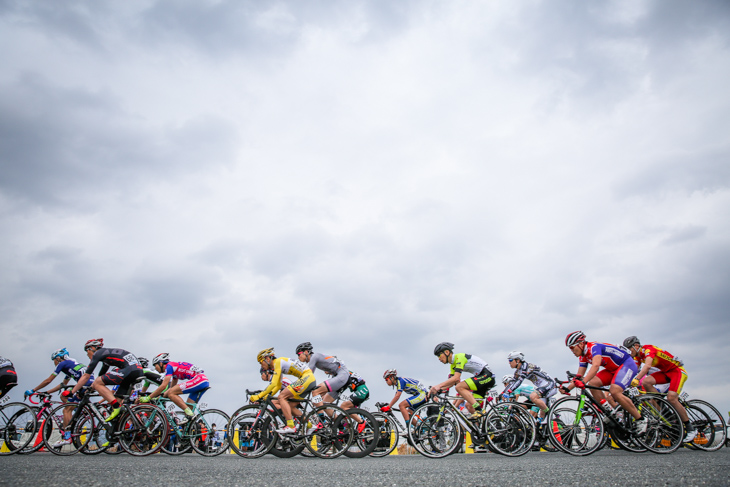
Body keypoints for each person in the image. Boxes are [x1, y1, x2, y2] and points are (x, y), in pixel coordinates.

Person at [563, 331, 646, 434]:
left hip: (627, 364)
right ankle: (611, 411)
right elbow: (579, 376)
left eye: (572, 347)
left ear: (580, 344)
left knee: (615, 391)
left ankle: (641, 420)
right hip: (613, 370)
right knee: (592, 383)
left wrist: (583, 382)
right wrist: (567, 388)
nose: (572, 351)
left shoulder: (593, 347)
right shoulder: (583, 356)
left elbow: (596, 366)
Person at [623, 336, 696, 442]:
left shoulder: (648, 349)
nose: (629, 352)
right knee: (647, 382)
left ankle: (690, 429)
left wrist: (637, 379)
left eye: (629, 349)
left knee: (672, 398)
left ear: (636, 346)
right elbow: (634, 370)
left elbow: (647, 366)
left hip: (677, 371)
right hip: (666, 372)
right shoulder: (638, 357)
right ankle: (660, 403)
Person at [25, 348, 95, 444]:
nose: (54, 362)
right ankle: (78, 411)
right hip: (88, 383)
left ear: (58, 358)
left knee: (66, 410)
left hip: (84, 384)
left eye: (54, 360)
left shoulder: (62, 364)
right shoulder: (70, 365)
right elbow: (63, 384)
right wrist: (47, 392)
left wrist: (33, 390)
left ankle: (67, 437)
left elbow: (48, 380)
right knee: (63, 396)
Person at [69, 339, 144, 423]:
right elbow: (100, 377)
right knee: (117, 401)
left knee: (100, 384)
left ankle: (116, 406)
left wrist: (72, 392)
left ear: (92, 348)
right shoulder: (106, 357)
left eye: (87, 351)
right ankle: (121, 428)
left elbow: (86, 375)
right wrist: (89, 389)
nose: (87, 354)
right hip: (136, 371)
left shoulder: (98, 353)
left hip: (129, 370)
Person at [253, 347, 316, 435]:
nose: (261, 365)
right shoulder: (277, 366)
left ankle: (290, 426)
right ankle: (309, 425)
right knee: (289, 406)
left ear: (267, 358)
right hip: (308, 379)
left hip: (307, 378)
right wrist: (267, 396)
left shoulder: (278, 362)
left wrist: (259, 396)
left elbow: (273, 384)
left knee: (281, 397)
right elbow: (278, 385)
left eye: (261, 362)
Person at [428, 342, 496, 419]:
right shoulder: (453, 365)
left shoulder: (459, 357)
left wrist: (438, 386)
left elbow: (456, 378)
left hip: (487, 375)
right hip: (481, 378)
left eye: (439, 355)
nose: (439, 358)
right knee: (469, 406)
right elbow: (453, 382)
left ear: (447, 352)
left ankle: (480, 410)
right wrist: (439, 390)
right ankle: (484, 427)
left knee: (459, 387)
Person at [139, 353, 209, 425]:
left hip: (199, 379)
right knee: (188, 408)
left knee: (171, 394)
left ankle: (191, 414)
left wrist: (149, 397)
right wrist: (162, 396)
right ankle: (189, 431)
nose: (155, 368)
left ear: (160, 363)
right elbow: (171, 388)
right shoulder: (174, 369)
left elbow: (164, 386)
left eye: (155, 365)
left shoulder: (169, 366)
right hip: (203, 380)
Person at [502, 351, 557, 424]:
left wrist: (509, 391)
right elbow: (512, 382)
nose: (509, 362)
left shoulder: (526, 366)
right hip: (542, 387)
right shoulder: (518, 371)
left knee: (533, 396)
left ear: (517, 360)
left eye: (510, 360)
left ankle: (550, 414)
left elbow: (519, 381)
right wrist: (503, 393)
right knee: (541, 421)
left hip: (549, 384)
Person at [295, 342, 350, 409]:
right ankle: (337, 419)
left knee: (315, 392)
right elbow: (309, 375)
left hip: (342, 375)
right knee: (324, 403)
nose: (298, 357)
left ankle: (321, 417)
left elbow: (308, 376)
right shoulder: (315, 359)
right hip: (341, 376)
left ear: (306, 352)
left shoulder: (314, 357)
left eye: (299, 354)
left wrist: (296, 387)